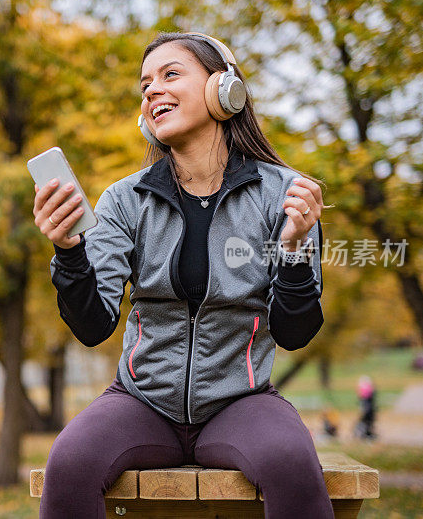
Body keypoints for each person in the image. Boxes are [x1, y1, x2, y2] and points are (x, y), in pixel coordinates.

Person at [32, 32, 332, 519]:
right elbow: (93, 326)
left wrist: (295, 250)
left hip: (242, 401)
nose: (152, 90)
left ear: (224, 90)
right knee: (68, 464)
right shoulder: (124, 201)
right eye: (145, 83)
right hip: (140, 401)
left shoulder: (285, 194)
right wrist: (68, 251)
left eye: (171, 74)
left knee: (291, 461)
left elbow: (295, 332)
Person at [356, 375, 377, 440]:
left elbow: (362, 399)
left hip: (367, 409)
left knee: (366, 422)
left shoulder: (364, 387)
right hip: (369, 409)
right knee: (368, 422)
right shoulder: (369, 387)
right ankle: (366, 433)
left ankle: (366, 433)